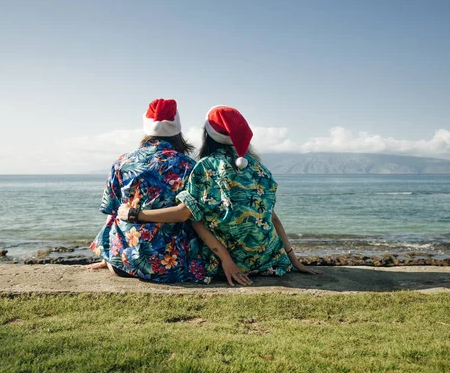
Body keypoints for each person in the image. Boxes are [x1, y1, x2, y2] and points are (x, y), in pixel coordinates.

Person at [118, 105, 322, 284]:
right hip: (266, 259)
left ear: (207, 136)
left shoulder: (205, 167)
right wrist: (293, 260)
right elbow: (272, 217)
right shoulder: (259, 170)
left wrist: (227, 260)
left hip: (224, 263)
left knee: (194, 222)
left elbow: (188, 215)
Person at [87, 99, 228, 284]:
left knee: (119, 210)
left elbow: (111, 212)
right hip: (173, 266)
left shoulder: (122, 162)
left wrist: (108, 254)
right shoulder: (188, 166)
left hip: (123, 264)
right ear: (177, 129)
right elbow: (194, 216)